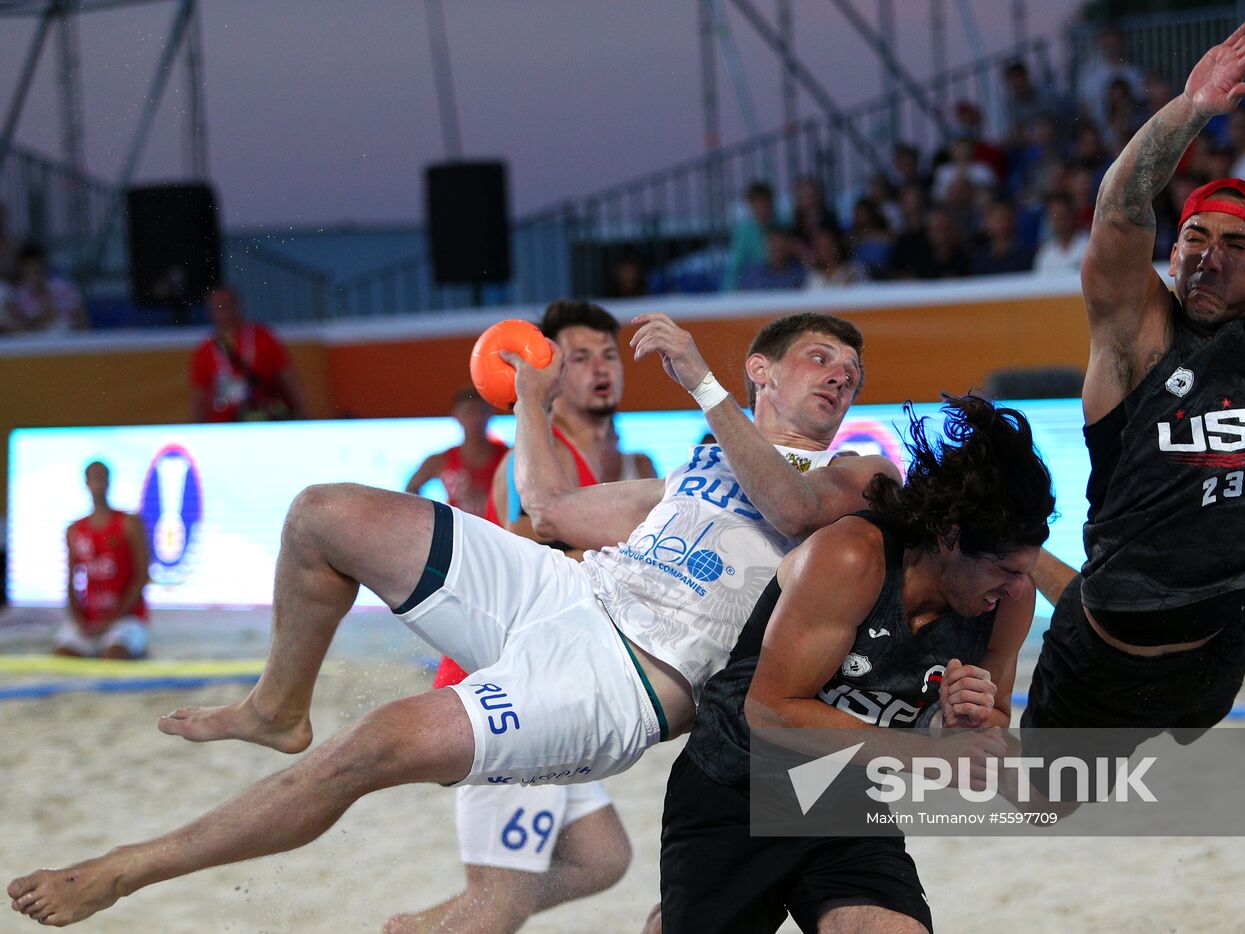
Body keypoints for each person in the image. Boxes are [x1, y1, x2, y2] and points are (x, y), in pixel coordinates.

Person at [8, 312, 897, 925]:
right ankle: (278, 708)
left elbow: (787, 507)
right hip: (571, 594)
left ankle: (125, 870)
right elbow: (549, 509)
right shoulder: (702, 466)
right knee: (325, 512)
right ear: (765, 371)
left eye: (851, 375)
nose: (841, 379)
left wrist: (699, 381)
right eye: (822, 359)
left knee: (373, 748)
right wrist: (529, 398)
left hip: (629, 677)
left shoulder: (853, 472)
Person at [1021, 21, 1245, 770]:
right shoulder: (1138, 333)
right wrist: (1190, 107)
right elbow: (1121, 209)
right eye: (1194, 239)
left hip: (1223, 650)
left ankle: (1017, 551)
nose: (1207, 258)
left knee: (1185, 727)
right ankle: (1015, 555)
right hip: (1114, 647)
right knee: (1041, 805)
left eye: (1235, 245)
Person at [658, 396, 1055, 934]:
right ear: (949, 537)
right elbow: (770, 712)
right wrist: (929, 754)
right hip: (738, 785)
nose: (1013, 587)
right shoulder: (853, 556)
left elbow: (989, 729)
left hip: (842, 795)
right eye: (1003, 568)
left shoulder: (1010, 598)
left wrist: (962, 722)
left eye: (1022, 571)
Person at [388, 301, 637, 934]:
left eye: (609, 354)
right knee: (500, 902)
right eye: (579, 358)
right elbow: (519, 563)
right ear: (546, 371)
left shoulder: (607, 465)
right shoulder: (533, 460)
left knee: (603, 858)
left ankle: (422, 928)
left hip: (561, 688)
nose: (600, 369)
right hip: (511, 690)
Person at [56, 461, 150, 660]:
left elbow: (142, 576)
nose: (97, 482)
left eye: (101, 476)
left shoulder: (129, 523)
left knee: (113, 656)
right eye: (93, 477)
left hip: (126, 618)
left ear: (109, 481)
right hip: (89, 620)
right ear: (86, 482)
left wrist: (113, 619)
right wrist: (78, 619)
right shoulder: (74, 530)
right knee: (61, 656)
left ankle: (138, 649)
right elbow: (71, 581)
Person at [190, 286, 307, 423]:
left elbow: (289, 379)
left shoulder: (262, 337)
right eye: (217, 306)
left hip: (262, 421)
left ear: (237, 305)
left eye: (226, 304)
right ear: (210, 310)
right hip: (223, 426)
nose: (222, 310)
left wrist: (305, 417)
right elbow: (199, 396)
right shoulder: (205, 349)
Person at [405, 387, 509, 520]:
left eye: (481, 411)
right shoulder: (440, 460)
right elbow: (411, 488)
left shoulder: (508, 457)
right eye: (469, 412)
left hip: (500, 534)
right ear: (457, 416)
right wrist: (430, 518)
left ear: (491, 413)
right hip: (458, 534)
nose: (476, 419)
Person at [3, 243, 88, 333]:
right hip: (37, 341)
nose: (32, 270)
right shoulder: (16, 295)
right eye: (28, 266)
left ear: (43, 265)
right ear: (21, 269)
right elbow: (20, 326)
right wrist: (39, 319)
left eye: (35, 264)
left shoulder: (64, 287)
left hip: (68, 338)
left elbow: (81, 318)